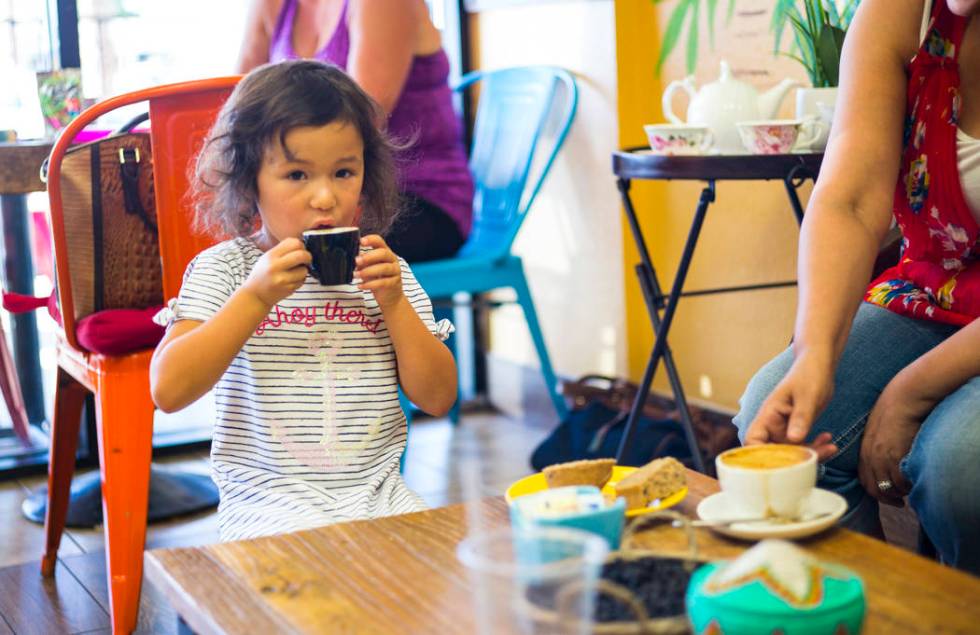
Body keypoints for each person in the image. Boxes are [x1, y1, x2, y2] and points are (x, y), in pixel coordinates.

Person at [149, 60, 458, 541]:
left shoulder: (383, 273)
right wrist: (254, 297)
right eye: (296, 175)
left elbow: (438, 397)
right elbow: (169, 391)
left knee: (432, 582)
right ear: (249, 180)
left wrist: (395, 305)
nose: (324, 197)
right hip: (266, 504)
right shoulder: (225, 272)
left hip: (380, 496)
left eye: (343, 172)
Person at [734, 0, 980, 573]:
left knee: (960, 469)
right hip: (939, 289)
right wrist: (814, 355)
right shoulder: (903, 14)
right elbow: (848, 200)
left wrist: (911, 390)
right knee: (781, 437)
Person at [237, 0, 474, 263]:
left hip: (417, 198)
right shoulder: (271, 5)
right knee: (231, 238)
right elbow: (239, 112)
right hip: (318, 191)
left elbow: (363, 124)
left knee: (304, 249)